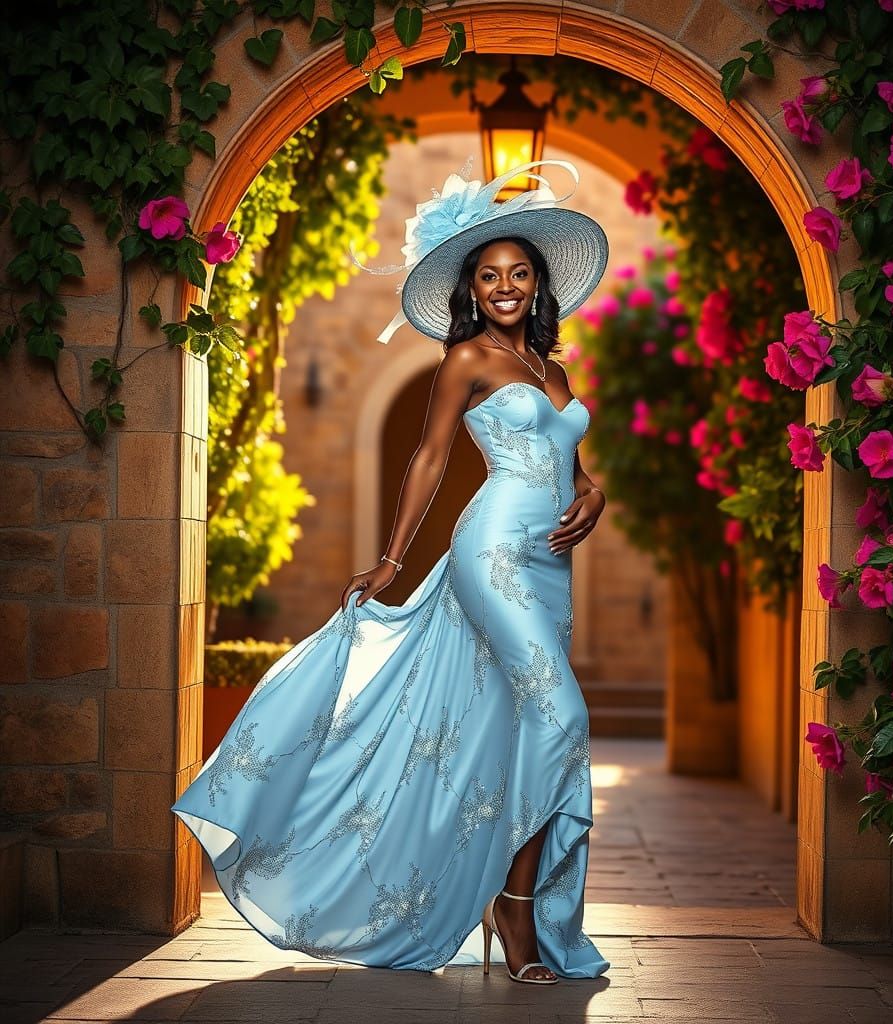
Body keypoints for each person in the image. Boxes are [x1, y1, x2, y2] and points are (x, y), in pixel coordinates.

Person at [171, 159, 611, 984]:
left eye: (519, 273)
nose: (505, 287)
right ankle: (515, 910)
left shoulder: (553, 371)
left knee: (525, 728)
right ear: (472, 289)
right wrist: (392, 559)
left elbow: (571, 468)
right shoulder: (467, 359)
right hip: (490, 555)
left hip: (551, 568)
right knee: (562, 717)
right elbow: (430, 458)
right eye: (489, 275)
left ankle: (512, 902)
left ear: (538, 285)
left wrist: (596, 493)